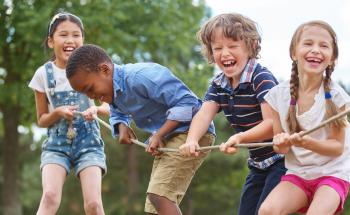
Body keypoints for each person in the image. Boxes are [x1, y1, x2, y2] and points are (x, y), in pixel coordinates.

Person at [65, 44, 216, 215]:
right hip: (170, 137)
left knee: (160, 196)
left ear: (105, 70)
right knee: (154, 206)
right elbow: (117, 110)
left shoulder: (141, 77)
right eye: (85, 93)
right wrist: (121, 125)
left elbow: (187, 103)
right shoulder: (114, 91)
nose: (90, 96)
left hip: (191, 132)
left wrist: (159, 134)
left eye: (90, 88)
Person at [179, 13, 286, 215]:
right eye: (217, 48)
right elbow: (204, 114)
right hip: (258, 163)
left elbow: (272, 123)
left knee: (267, 211)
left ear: (250, 46)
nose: (224, 53)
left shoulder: (261, 78)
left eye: (232, 46)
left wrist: (239, 137)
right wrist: (192, 139)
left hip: (283, 160)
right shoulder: (219, 84)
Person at [259, 20, 350, 215]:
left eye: (323, 46)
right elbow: (280, 148)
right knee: (267, 211)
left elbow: (336, 148)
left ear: (332, 58)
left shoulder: (337, 97)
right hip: (298, 174)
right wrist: (281, 142)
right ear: (293, 52)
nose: (316, 50)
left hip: (332, 174)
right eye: (308, 43)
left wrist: (307, 143)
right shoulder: (277, 96)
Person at [28, 12, 109, 215]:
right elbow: (41, 120)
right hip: (57, 145)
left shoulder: (94, 69)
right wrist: (57, 112)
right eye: (63, 35)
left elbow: (111, 107)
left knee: (93, 204)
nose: (70, 40)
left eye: (76, 35)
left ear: (83, 40)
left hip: (89, 143)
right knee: (49, 197)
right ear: (50, 41)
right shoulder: (42, 75)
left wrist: (96, 109)